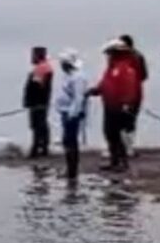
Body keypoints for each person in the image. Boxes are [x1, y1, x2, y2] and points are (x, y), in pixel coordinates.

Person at [87, 40, 141, 172]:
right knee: (110, 133)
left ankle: (121, 162)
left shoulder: (125, 68)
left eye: (110, 53)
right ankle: (114, 160)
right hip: (110, 106)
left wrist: (126, 104)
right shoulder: (112, 68)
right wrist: (95, 91)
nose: (108, 56)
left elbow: (129, 88)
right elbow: (105, 84)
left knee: (116, 134)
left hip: (119, 107)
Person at [55, 49, 87, 182]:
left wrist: (72, 114)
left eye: (63, 62)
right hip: (65, 112)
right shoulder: (68, 76)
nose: (61, 65)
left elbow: (78, 98)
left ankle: (72, 171)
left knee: (70, 142)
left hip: (71, 114)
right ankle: (69, 169)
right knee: (67, 141)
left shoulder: (78, 77)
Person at [118, 34, 149, 155]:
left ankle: (126, 147)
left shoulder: (126, 58)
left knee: (124, 120)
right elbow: (144, 75)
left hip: (129, 92)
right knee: (130, 120)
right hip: (135, 92)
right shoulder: (138, 56)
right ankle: (128, 147)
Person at [22, 46, 54, 158]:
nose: (31, 58)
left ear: (38, 55)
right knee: (41, 124)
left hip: (38, 103)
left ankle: (37, 149)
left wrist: (31, 102)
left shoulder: (41, 68)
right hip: (41, 102)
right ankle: (43, 147)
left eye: (33, 55)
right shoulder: (45, 67)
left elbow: (36, 87)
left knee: (37, 125)